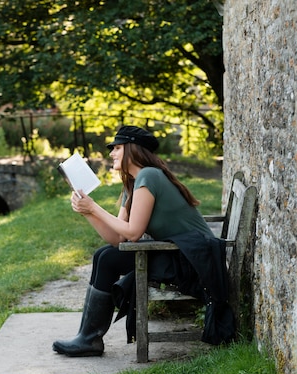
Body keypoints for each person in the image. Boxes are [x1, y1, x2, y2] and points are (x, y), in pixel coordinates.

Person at [52, 125, 226, 357]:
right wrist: (88, 212)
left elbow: (133, 233)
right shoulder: (133, 183)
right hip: (175, 252)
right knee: (103, 255)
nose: (112, 153)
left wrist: (94, 207)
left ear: (133, 150)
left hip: (194, 261)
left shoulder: (149, 176)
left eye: (117, 148)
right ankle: (88, 337)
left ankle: (89, 339)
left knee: (108, 260)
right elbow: (118, 238)